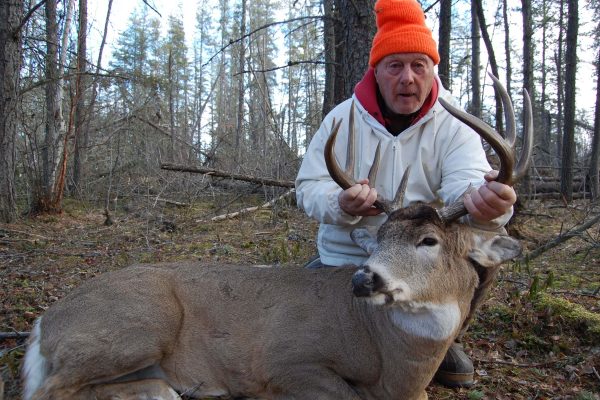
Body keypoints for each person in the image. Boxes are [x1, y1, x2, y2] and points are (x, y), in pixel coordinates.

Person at [295, 0, 517, 389]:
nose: (407, 78)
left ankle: (443, 335)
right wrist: (339, 203)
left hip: (421, 265)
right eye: (394, 66)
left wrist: (487, 206)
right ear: (376, 71)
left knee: (483, 251)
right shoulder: (341, 120)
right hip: (347, 258)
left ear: (433, 70)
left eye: (419, 65)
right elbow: (308, 187)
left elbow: (468, 186)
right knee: (302, 343)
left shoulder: (455, 126)